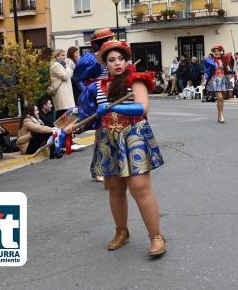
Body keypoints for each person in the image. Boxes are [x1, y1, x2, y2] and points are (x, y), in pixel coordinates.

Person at [75, 40, 166, 256]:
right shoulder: (98, 87)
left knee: (139, 187)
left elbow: (143, 108)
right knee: (115, 189)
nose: (117, 63)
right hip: (109, 138)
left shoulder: (136, 81)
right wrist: (71, 127)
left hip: (133, 135)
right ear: (105, 64)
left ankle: (156, 236)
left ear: (126, 61)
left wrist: (118, 107)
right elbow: (87, 115)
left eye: (120, 59)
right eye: (112, 60)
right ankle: (121, 231)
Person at [73, 28, 116, 183]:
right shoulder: (91, 59)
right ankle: (98, 169)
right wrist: (90, 94)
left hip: (110, 97)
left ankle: (102, 168)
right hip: (97, 99)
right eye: (107, 40)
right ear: (99, 44)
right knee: (101, 135)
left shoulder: (111, 56)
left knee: (109, 135)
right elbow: (78, 78)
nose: (109, 42)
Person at [204, 45, 233, 123]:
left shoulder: (223, 60)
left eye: (218, 51)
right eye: (215, 51)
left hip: (223, 79)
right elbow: (207, 70)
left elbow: (228, 68)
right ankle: (221, 115)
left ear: (221, 52)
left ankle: (219, 114)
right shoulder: (211, 60)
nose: (216, 52)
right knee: (219, 98)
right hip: (215, 79)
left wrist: (231, 70)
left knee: (221, 99)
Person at [49, 49, 75, 119]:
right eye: (62, 55)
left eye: (65, 55)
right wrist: (69, 68)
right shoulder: (55, 66)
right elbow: (66, 76)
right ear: (57, 57)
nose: (65, 57)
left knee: (66, 115)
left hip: (65, 95)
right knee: (62, 115)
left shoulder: (62, 65)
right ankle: (59, 129)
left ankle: (62, 129)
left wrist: (67, 69)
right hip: (62, 95)